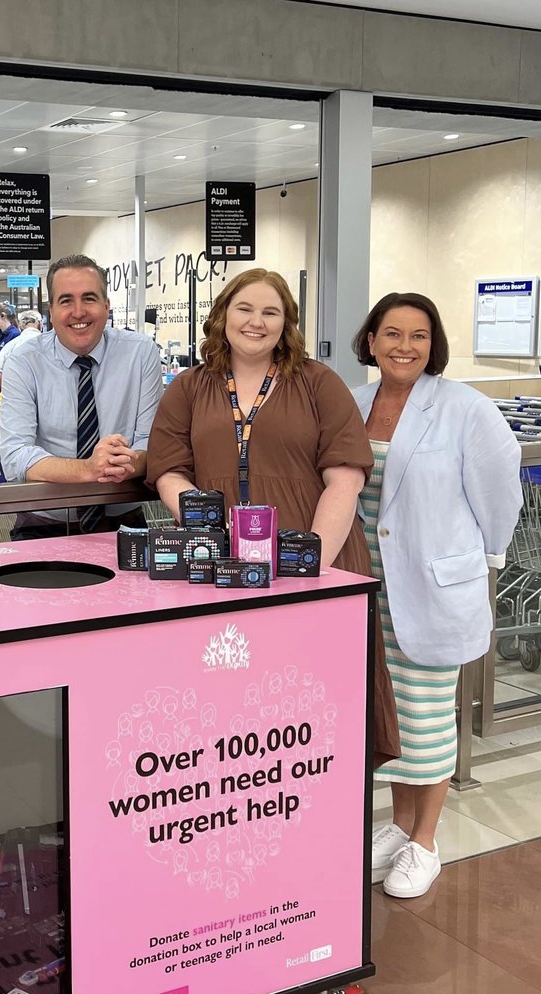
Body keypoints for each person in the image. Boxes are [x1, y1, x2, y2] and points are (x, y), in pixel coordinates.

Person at [146, 267, 400, 767]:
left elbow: (346, 476)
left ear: (288, 323)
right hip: (220, 566)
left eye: (271, 312)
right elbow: (168, 471)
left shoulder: (317, 383)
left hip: (319, 558)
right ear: (222, 316)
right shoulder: (190, 388)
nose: (256, 322)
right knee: (231, 701)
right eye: (244, 309)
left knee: (317, 700)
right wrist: (209, 528)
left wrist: (310, 565)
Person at [351, 292, 522, 899]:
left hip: (432, 586)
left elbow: (501, 497)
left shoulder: (466, 410)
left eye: (418, 336)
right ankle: (399, 828)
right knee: (389, 716)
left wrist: (479, 564)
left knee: (426, 719)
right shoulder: (353, 402)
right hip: (367, 586)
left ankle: (425, 841)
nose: (404, 346)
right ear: (370, 340)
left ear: (434, 344)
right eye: (391, 333)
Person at [0, 254, 162, 538]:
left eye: (89, 298)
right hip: (43, 525)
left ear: (106, 305)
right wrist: (88, 469)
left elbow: (153, 443)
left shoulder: (141, 352)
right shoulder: (24, 361)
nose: (78, 312)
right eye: (66, 301)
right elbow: (15, 456)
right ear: (51, 310)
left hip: (123, 520)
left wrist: (124, 464)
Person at [0, 309, 43, 392]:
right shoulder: (51, 345)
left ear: (19, 326)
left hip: (18, 401)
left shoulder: (8, 347)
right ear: (40, 324)